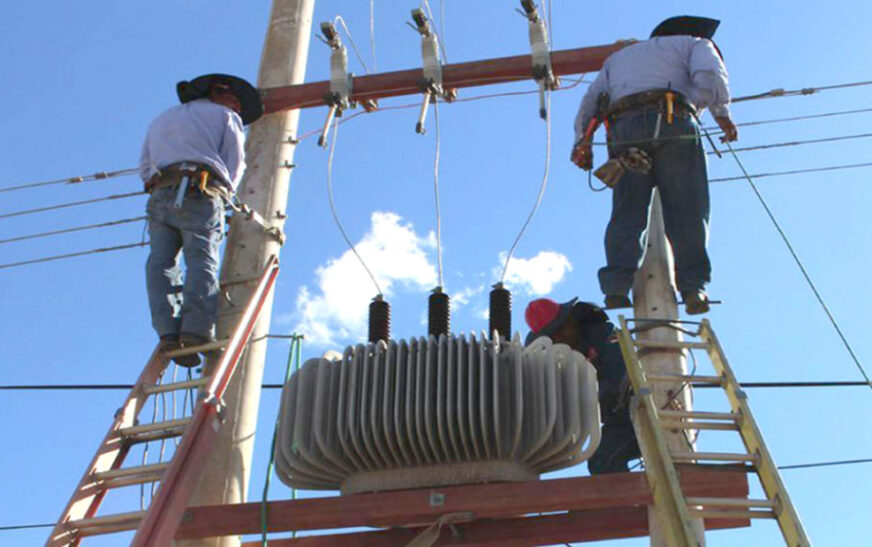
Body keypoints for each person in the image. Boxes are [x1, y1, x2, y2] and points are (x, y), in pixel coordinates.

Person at [571, 16, 738, 315]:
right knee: (687, 209)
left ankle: (616, 289)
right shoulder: (695, 43)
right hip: (674, 120)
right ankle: (692, 287)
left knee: (627, 210)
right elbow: (709, 73)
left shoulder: (618, 59)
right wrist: (720, 112)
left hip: (625, 129)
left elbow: (592, 100)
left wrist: (582, 142)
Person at [139, 73, 263, 366]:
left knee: (161, 263)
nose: (238, 109)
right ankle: (196, 331)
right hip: (200, 190)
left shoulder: (161, 119)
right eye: (236, 102)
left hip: (160, 193)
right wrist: (225, 194)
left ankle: (168, 331)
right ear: (219, 93)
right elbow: (235, 163)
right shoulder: (224, 116)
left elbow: (145, 166)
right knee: (201, 258)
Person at [525, 297, 640, 474]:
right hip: (618, 420)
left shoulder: (605, 336)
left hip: (640, 408)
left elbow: (618, 381)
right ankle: (632, 501)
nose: (561, 337)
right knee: (601, 462)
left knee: (607, 459)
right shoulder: (562, 360)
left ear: (571, 320)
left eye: (562, 329)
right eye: (552, 335)